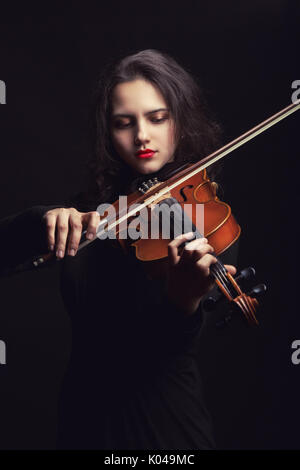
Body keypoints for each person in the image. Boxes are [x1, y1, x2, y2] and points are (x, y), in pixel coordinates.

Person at [0, 49, 237, 449]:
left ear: (180, 120)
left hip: (168, 434)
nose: (141, 135)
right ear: (109, 133)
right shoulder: (91, 211)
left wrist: (183, 304)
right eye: (124, 123)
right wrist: (41, 219)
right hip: (83, 427)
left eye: (157, 118)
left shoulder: (204, 219)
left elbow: (167, 351)